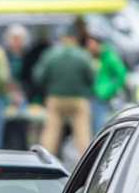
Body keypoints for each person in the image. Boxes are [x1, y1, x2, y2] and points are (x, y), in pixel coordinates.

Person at [33, 26, 95, 157]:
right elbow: (91, 78)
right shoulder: (83, 55)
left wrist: (49, 87)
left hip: (55, 98)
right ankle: (87, 159)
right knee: (82, 132)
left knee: (51, 131)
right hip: (78, 99)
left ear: (62, 38)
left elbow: (39, 76)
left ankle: (45, 160)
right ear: (75, 39)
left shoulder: (50, 55)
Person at [87, 35, 127, 131]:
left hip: (101, 96)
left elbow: (121, 75)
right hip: (92, 95)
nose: (89, 46)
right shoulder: (93, 57)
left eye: (91, 43)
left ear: (98, 44)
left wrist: (109, 90)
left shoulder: (109, 57)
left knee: (99, 124)